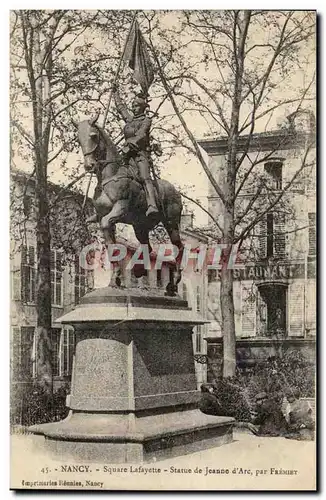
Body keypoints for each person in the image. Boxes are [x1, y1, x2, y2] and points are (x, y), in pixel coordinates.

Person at [112, 84, 159, 218]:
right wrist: (115, 93)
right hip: (127, 157)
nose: (133, 108)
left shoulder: (146, 120)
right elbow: (121, 109)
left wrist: (130, 144)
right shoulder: (130, 119)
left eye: (136, 106)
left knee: (145, 178)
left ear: (143, 108)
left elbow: (141, 135)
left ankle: (152, 205)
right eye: (132, 106)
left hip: (140, 155)